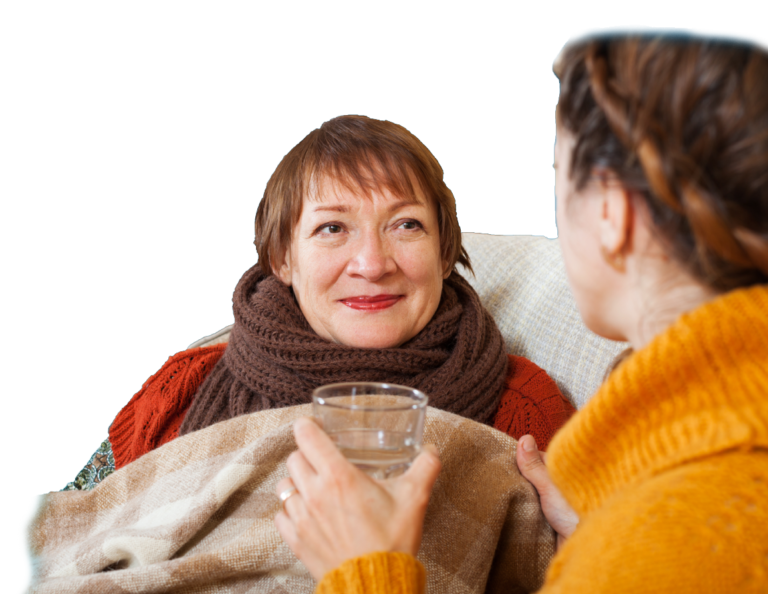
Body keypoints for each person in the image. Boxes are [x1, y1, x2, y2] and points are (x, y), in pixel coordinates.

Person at [273, 29, 768, 593]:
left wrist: (365, 574)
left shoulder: (665, 537)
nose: (371, 262)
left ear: (613, 212)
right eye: (332, 227)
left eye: (560, 178)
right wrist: (595, 534)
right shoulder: (649, 500)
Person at [106, 114, 576, 472]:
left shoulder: (525, 410)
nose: (372, 264)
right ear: (282, 260)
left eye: (406, 224)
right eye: (332, 227)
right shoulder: (176, 393)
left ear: (443, 250)